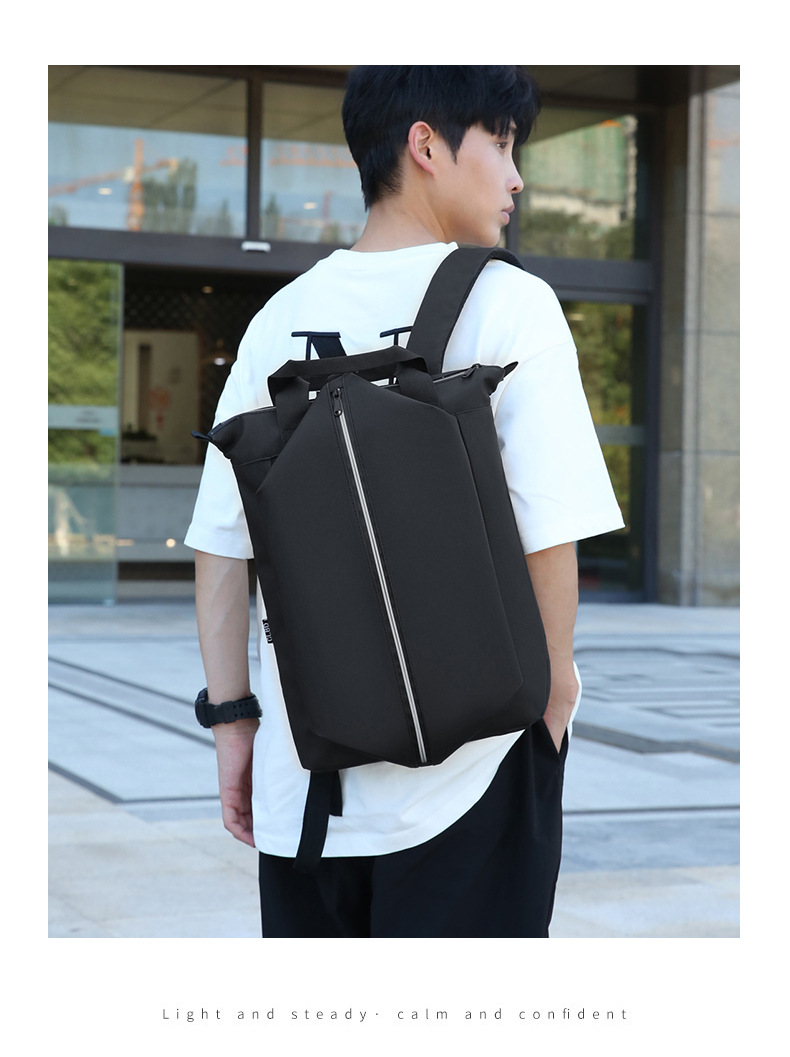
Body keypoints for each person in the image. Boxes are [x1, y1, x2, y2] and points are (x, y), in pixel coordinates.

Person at [184, 65, 624, 938]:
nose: (515, 177)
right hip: (475, 775)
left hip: (308, 791)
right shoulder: (513, 303)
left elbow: (223, 545)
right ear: (426, 144)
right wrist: (551, 707)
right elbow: (549, 528)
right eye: (501, 143)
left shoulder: (277, 319)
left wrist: (235, 724)